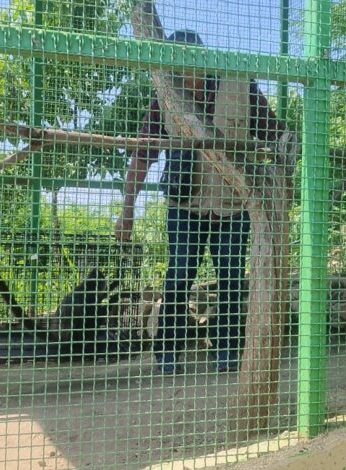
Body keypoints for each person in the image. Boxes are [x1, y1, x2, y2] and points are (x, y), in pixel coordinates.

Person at [114, 30, 285, 374]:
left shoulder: (240, 86)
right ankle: (167, 353)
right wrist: (127, 211)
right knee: (178, 277)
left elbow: (276, 136)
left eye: (188, 64)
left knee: (232, 278)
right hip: (185, 206)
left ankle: (227, 351)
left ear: (202, 60)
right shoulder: (166, 95)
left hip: (233, 204)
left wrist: (277, 188)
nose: (183, 73)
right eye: (176, 66)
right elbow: (142, 156)